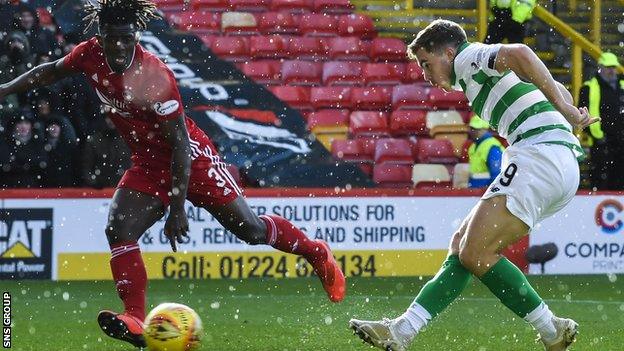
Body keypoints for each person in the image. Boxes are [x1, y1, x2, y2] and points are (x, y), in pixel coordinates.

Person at [0, 0, 345, 348]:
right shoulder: (89, 54)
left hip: (192, 159)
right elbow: (48, 71)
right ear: (100, 36)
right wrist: (4, 90)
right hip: (148, 162)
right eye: (111, 39)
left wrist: (177, 207)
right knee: (118, 228)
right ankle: (135, 317)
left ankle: (316, 252)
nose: (119, 46)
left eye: (126, 39)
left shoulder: (153, 76)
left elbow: (180, 142)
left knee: (252, 231)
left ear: (135, 35)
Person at [349, 19, 597, 351]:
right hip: (550, 160)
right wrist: (563, 107)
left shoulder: (468, 58)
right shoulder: (474, 74)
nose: (424, 73)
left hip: (539, 157)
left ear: (448, 53)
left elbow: (521, 52)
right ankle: (402, 330)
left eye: (427, 63)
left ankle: (550, 328)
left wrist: (565, 108)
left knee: (476, 252)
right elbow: (554, 89)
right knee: (462, 246)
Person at [578, 52, 624, 190]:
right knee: (601, 179)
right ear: (601, 67)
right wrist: (599, 137)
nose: (611, 70)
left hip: (621, 143)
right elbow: (582, 116)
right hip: (600, 144)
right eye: (608, 67)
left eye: (613, 67)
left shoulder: (622, 85)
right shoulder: (588, 87)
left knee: (620, 180)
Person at [467, 114, 504, 188]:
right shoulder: (472, 147)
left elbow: (496, 174)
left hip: (484, 190)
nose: (473, 131)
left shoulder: (493, 147)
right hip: (474, 189)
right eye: (471, 128)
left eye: (477, 129)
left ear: (485, 129)